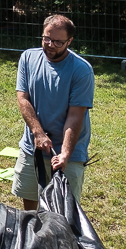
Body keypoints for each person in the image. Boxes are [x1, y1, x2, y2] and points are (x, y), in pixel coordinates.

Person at [12, 14, 95, 210]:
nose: (50, 45)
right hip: (33, 147)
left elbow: (75, 115)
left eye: (58, 42)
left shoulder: (81, 70)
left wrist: (65, 154)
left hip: (68, 154)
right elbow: (23, 98)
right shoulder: (28, 58)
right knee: (31, 208)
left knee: (62, 212)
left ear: (69, 41)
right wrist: (38, 133)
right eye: (46, 38)